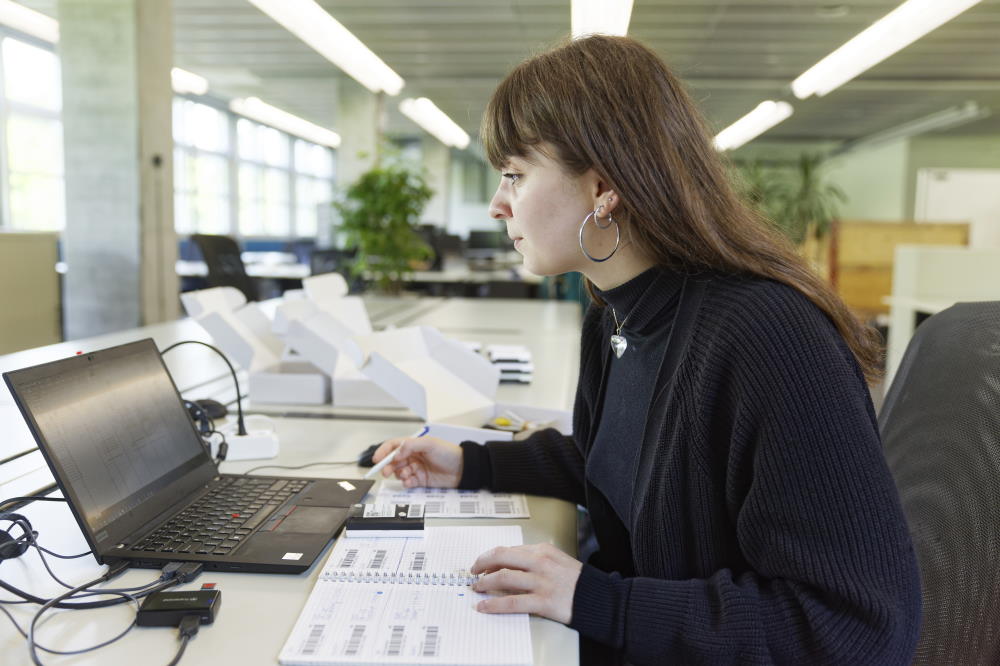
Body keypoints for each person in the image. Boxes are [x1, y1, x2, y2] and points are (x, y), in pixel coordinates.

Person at [372, 35, 921, 665]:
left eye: (515, 176)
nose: (498, 205)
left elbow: (856, 627)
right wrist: (473, 464)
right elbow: (626, 462)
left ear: (602, 187)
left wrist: (597, 600)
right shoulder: (614, 316)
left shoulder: (766, 337)